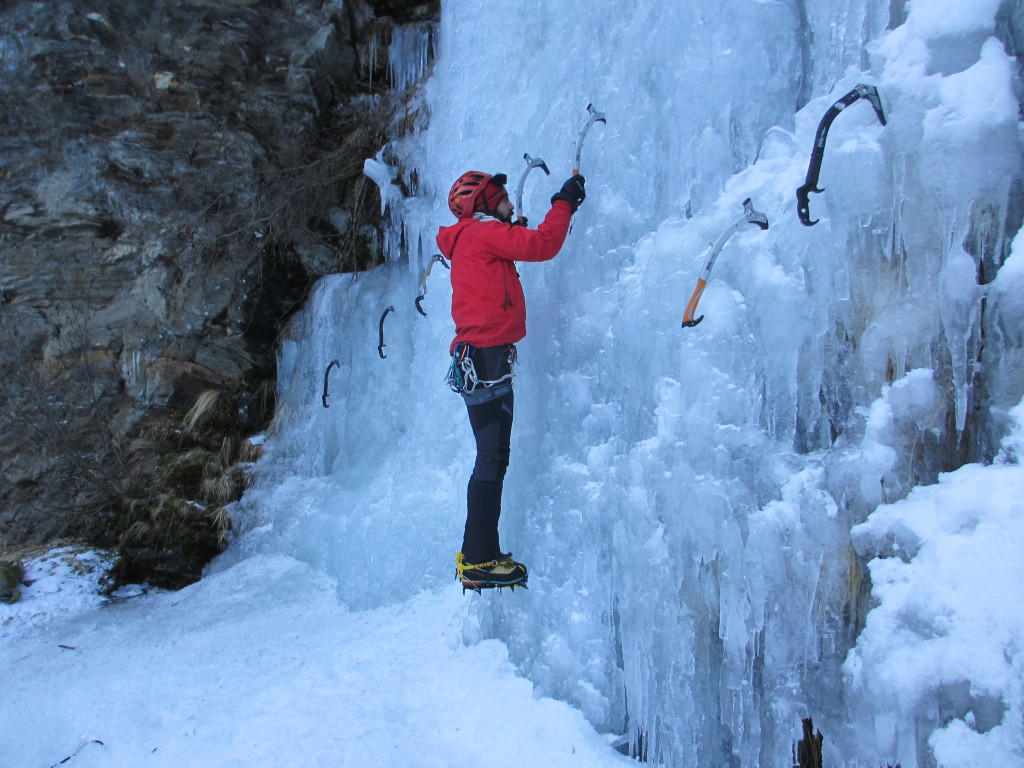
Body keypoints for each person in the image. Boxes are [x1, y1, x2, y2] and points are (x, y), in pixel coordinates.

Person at [437, 169, 586, 591]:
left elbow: (509, 251)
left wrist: (512, 227)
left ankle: (476, 554)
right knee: (492, 459)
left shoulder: (471, 236)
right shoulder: (483, 234)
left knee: (490, 458)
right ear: (483, 205)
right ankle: (480, 559)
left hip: (477, 359)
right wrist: (565, 203)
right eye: (502, 199)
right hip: (486, 361)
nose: (510, 203)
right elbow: (542, 244)